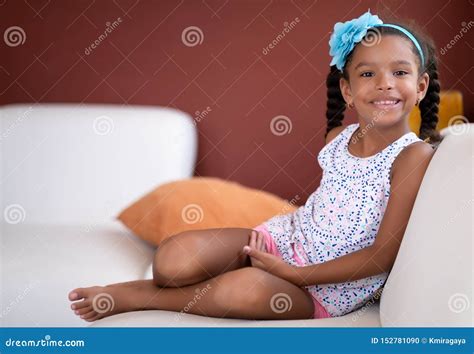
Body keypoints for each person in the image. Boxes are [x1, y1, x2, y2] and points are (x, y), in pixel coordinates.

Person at [68, 10, 441, 322]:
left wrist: (293, 274)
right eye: (367, 74)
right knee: (172, 258)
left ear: (421, 86)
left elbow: (381, 256)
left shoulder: (412, 156)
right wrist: (275, 255)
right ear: (347, 90)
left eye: (400, 72)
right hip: (281, 241)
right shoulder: (337, 140)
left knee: (241, 291)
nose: (384, 84)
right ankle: (233, 270)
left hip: (325, 289)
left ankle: (137, 296)